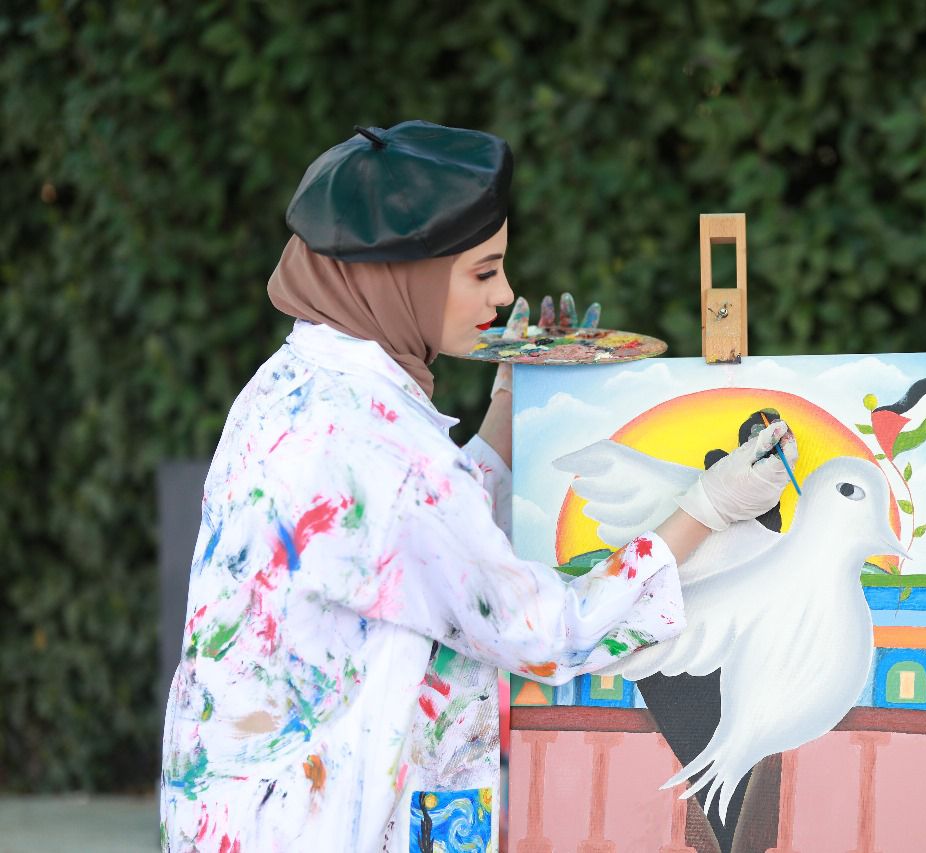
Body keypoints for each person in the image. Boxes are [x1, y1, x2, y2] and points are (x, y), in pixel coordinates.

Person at [159, 120, 798, 852]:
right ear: (403, 274)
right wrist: (707, 509)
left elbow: (418, 555)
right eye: (483, 272)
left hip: (242, 811)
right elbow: (548, 631)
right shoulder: (392, 455)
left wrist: (508, 406)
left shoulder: (294, 382)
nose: (506, 293)